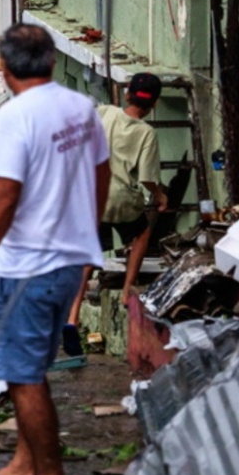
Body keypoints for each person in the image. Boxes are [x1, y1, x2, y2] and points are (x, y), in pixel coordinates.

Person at [0, 23, 109, 475]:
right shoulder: (80, 107)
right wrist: (87, 226)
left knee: (22, 376)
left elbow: (4, 196)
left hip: (29, 266)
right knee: (33, 369)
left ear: (3, 66)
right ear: (51, 60)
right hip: (66, 261)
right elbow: (101, 172)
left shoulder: (14, 116)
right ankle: (25, 465)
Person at [64, 73, 168, 356]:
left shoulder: (103, 112)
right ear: (154, 104)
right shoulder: (146, 132)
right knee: (142, 232)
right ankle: (126, 290)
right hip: (122, 199)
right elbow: (147, 178)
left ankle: (72, 318)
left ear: (126, 95)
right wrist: (160, 197)